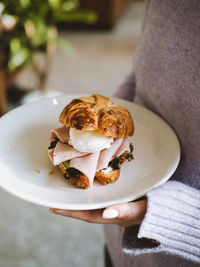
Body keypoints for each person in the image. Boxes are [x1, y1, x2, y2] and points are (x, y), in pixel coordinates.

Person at [49, 0, 200, 266]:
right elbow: (145, 72)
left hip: (173, 252)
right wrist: (111, 121)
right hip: (116, 237)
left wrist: (173, 217)